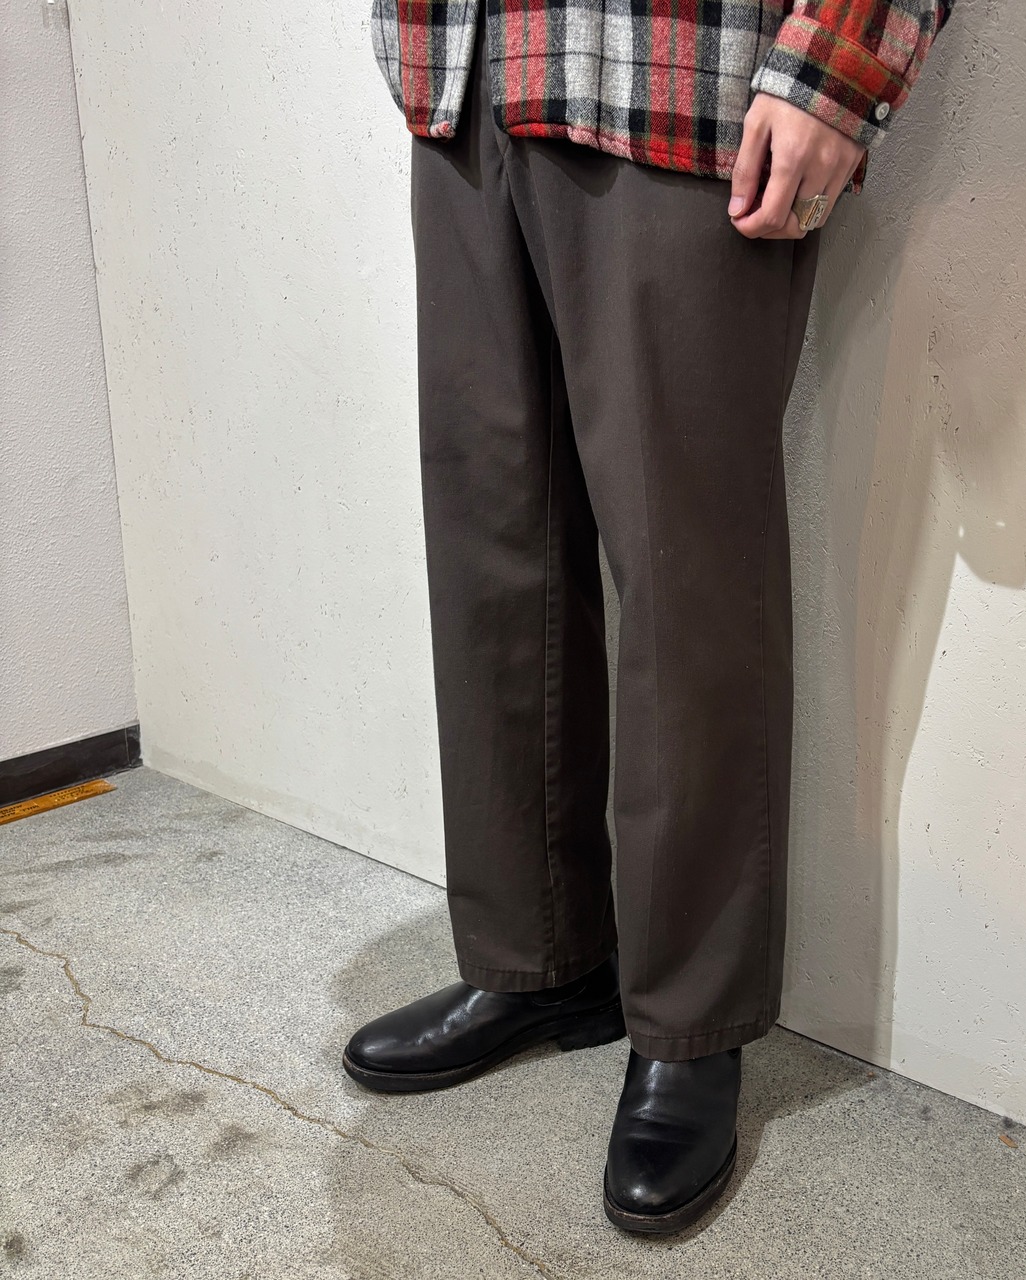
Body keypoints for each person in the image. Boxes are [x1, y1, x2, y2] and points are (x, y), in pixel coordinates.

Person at [345, 0, 952, 1235]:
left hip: (674, 69)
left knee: (686, 577)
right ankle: (540, 957)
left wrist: (837, 68)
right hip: (464, 68)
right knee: (490, 544)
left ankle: (688, 1022)